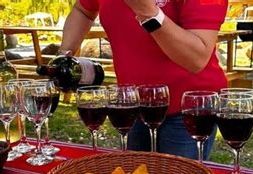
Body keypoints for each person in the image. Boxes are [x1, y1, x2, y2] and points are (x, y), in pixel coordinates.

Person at [59, 0, 228, 160]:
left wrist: (149, 13)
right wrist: (64, 55)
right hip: (133, 103)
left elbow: (196, 59)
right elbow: (83, 10)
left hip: (189, 107)